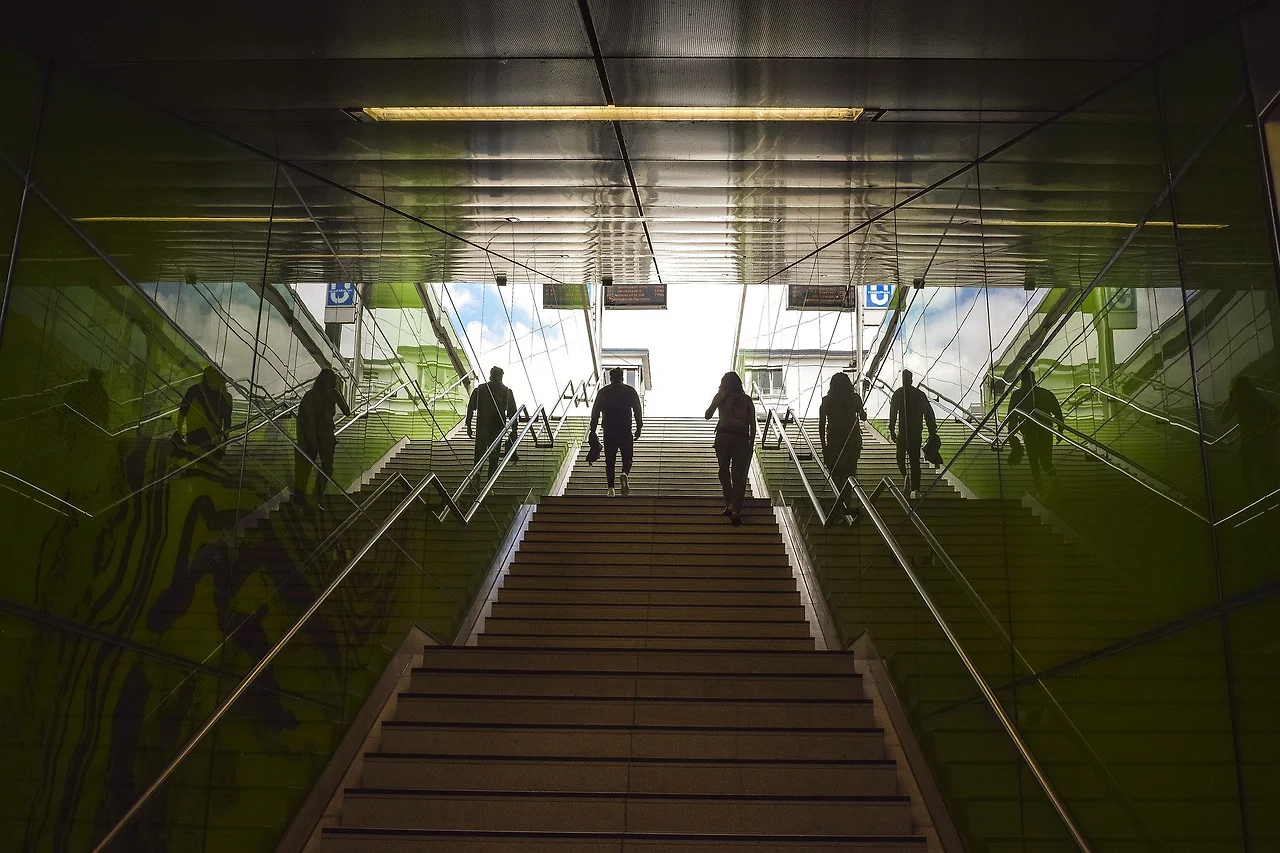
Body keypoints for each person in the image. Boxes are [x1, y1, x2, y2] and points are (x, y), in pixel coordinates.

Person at [294, 368, 351, 511]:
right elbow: (347, 411)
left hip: (310, 435)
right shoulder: (331, 394)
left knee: (306, 468)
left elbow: (302, 418)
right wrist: (338, 392)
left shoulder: (310, 395)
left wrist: (302, 438)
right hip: (324, 435)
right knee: (326, 468)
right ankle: (314, 498)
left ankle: (302, 500)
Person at [705, 371, 757, 524]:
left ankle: (729, 503)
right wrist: (751, 443)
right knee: (739, 475)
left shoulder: (721, 396)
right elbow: (753, 423)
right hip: (742, 439)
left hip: (724, 437)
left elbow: (707, 415)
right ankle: (735, 510)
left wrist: (717, 401)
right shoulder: (747, 400)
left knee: (723, 471)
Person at [1222, 375, 1278, 499]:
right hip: (1264, 443)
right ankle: (1269, 499)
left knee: (1248, 474)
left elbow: (1224, 419)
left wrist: (1232, 400)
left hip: (1250, 443)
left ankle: (1257, 500)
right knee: (1266, 473)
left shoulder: (1241, 402)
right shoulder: (1260, 401)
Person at [1007, 368, 1065, 489]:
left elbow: (1012, 418)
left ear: (1022, 380)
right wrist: (1060, 431)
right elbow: (1058, 413)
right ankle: (1053, 479)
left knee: (1034, 462)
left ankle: (1039, 488)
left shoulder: (1017, 395)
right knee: (1045, 460)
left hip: (1030, 432)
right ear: (1034, 380)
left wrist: (1011, 436)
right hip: (1045, 430)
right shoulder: (1046, 394)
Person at [590, 367, 643, 496]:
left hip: (609, 431)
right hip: (625, 430)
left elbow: (595, 412)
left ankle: (611, 489)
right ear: (622, 377)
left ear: (610, 378)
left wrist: (593, 430)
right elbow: (637, 409)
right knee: (627, 457)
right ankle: (624, 473)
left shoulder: (603, 392)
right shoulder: (630, 391)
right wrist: (639, 427)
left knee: (610, 460)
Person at [888, 369, 938, 500]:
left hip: (904, 433)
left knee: (901, 458)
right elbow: (929, 413)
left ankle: (907, 478)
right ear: (911, 380)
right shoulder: (919, 394)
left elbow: (893, 413)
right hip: (914, 433)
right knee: (914, 461)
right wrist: (932, 430)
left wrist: (892, 429)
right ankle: (915, 488)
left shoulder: (899, 394)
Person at [467, 367, 518, 479]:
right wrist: (514, 429)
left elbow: (470, 407)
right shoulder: (506, 391)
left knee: (479, 455)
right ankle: (490, 481)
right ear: (501, 376)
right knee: (494, 457)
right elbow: (513, 412)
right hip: (497, 428)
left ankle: (476, 478)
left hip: (482, 427)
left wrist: (469, 425)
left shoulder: (480, 389)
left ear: (490, 375)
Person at [819, 373, 867, 488]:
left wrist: (824, 447)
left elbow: (821, 425)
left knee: (836, 472)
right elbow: (863, 417)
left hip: (834, 440)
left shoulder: (827, 400)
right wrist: (860, 410)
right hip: (852, 439)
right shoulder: (854, 398)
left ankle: (839, 494)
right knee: (850, 470)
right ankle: (848, 493)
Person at [176, 367, 232, 457]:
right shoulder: (195, 390)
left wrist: (179, 431)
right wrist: (225, 442)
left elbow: (182, 412)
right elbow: (182, 411)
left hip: (204, 435)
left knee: (197, 460)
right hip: (201, 435)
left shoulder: (194, 390)